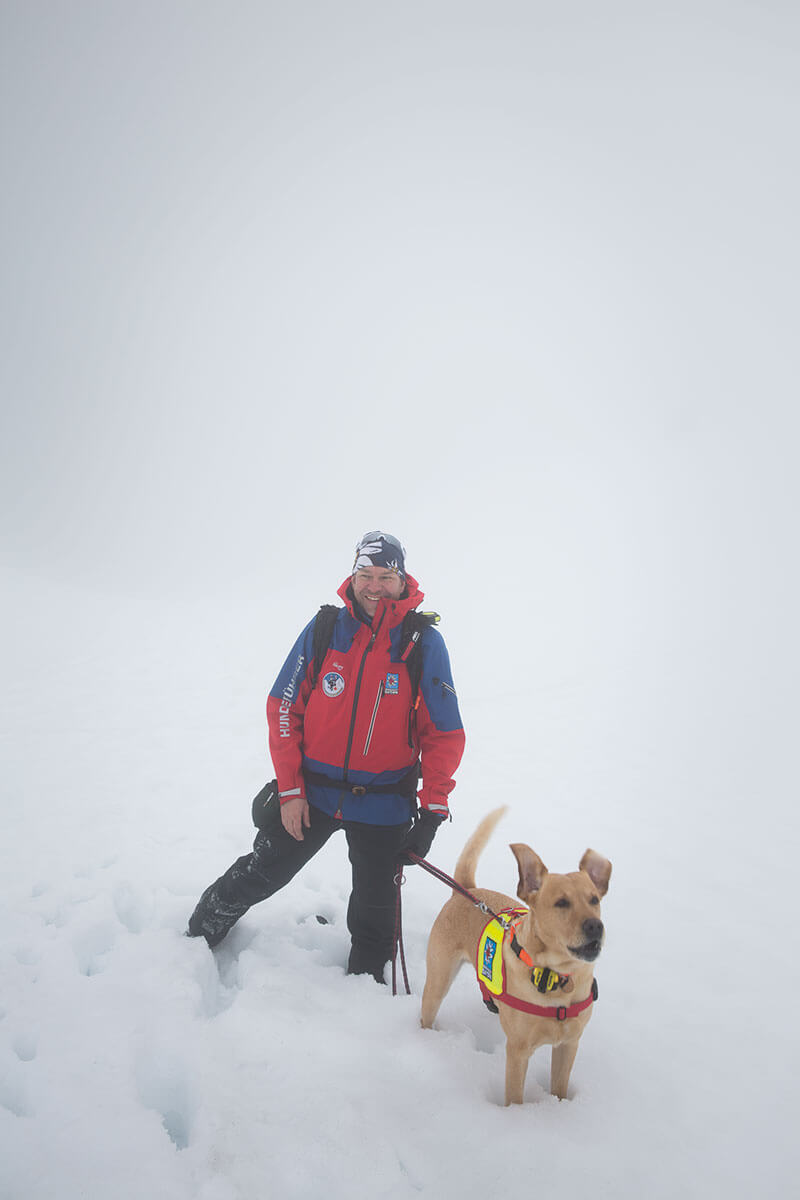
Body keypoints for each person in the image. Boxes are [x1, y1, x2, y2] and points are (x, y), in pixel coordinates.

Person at [187, 531, 465, 982]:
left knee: (376, 915)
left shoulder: (422, 644)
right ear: (353, 576)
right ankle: (196, 938)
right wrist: (292, 789)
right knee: (262, 872)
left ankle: (362, 997)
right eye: (365, 575)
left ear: (402, 579)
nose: (374, 586)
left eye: (385, 576)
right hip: (311, 794)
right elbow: (284, 707)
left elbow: (444, 734)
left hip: (384, 803)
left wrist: (431, 814)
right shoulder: (325, 630)